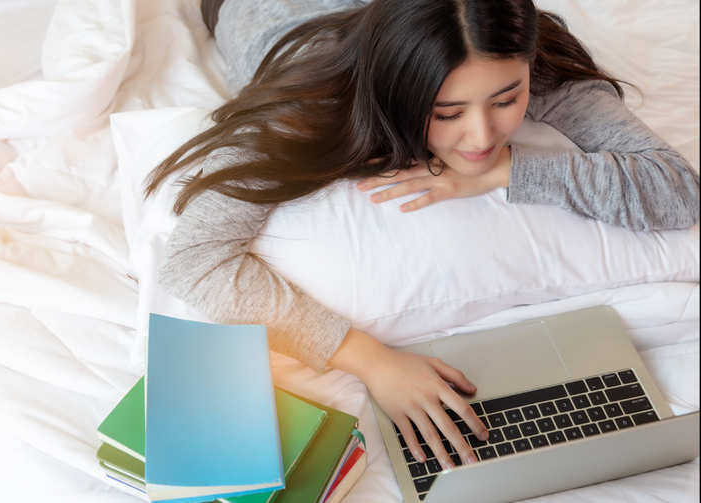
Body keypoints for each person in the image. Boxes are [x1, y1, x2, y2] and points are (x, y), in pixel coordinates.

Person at [146, 0, 700, 471]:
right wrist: (367, 358)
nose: (481, 135)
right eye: (446, 112)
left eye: (507, 101)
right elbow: (192, 262)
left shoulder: (532, 59)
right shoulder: (313, 104)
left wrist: (509, 169)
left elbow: (676, 190)